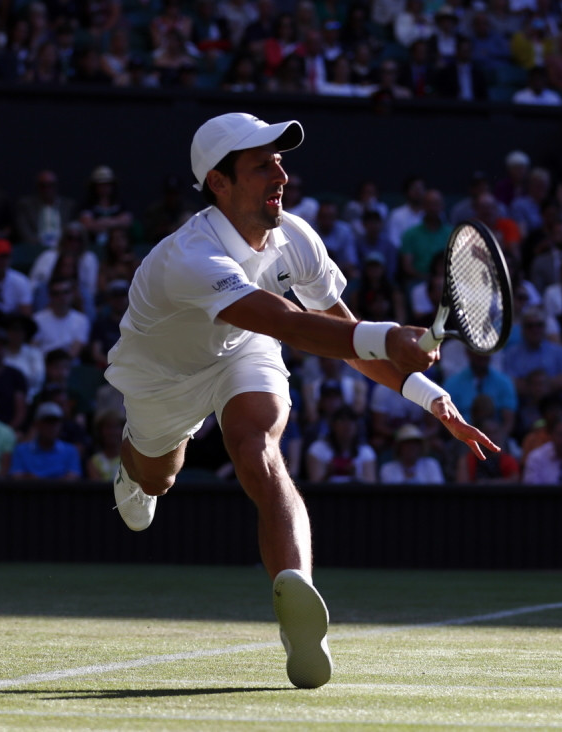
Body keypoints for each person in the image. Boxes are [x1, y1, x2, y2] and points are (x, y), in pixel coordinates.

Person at [103, 113, 496, 690]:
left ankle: (296, 599)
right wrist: (391, 336)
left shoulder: (297, 237)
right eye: (262, 164)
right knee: (158, 479)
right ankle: (133, 469)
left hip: (244, 350)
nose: (280, 173)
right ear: (219, 182)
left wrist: (426, 394)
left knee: (255, 442)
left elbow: (342, 334)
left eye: (281, 160)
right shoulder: (188, 257)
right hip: (162, 376)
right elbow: (286, 320)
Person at [9, 401, 83, 481]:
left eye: (55, 422)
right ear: (37, 424)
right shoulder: (21, 450)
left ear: (61, 425)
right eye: (47, 422)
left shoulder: (71, 450)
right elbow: (17, 476)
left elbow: (73, 477)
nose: (52, 427)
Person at [305, 405, 377, 483]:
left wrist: (355, 476)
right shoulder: (317, 449)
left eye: (351, 420)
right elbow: (313, 487)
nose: (347, 425)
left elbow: (372, 487)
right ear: (333, 425)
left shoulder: (366, 452)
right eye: (342, 420)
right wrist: (328, 474)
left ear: (357, 426)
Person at [14, 169, 76, 248]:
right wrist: (38, 244)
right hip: (36, 247)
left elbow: (73, 229)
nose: (47, 189)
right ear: (38, 187)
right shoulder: (26, 206)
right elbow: (24, 231)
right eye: (43, 185)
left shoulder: (68, 206)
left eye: (50, 185)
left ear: (56, 186)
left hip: (63, 248)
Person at [379, 423, 445, 483]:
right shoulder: (387, 468)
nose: (411, 447)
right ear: (399, 447)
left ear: (421, 446)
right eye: (407, 443)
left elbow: (438, 492)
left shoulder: (431, 465)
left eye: (415, 443)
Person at [86, 407, 124, 481]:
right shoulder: (93, 462)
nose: (112, 432)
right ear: (100, 432)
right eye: (108, 427)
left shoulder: (133, 460)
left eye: (116, 427)